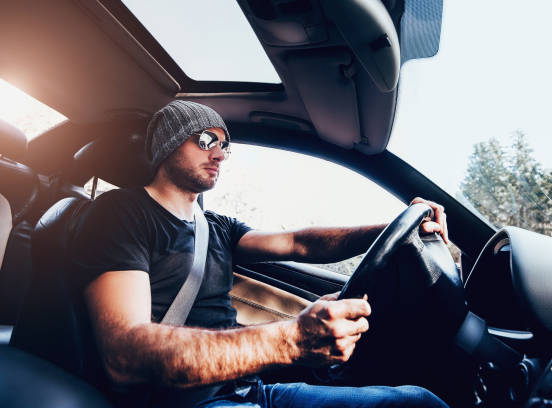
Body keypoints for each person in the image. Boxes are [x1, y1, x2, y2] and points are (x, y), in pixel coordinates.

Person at [71, 100, 450, 408]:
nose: (220, 154)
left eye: (224, 145)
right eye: (206, 140)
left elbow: (299, 243)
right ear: (168, 143)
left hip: (248, 390)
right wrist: (289, 339)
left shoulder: (216, 226)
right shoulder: (120, 214)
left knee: (418, 402)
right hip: (178, 399)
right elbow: (124, 356)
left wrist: (391, 228)